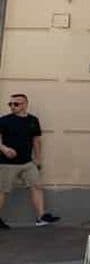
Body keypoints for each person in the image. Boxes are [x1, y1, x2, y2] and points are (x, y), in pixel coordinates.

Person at [0, 94, 60, 228]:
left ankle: (41, 217)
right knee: (2, 190)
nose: (12, 107)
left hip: (27, 162)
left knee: (37, 186)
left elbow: (36, 140)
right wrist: (4, 149)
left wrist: (38, 159)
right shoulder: (4, 120)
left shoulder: (33, 120)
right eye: (10, 104)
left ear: (25, 105)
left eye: (16, 104)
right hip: (7, 163)